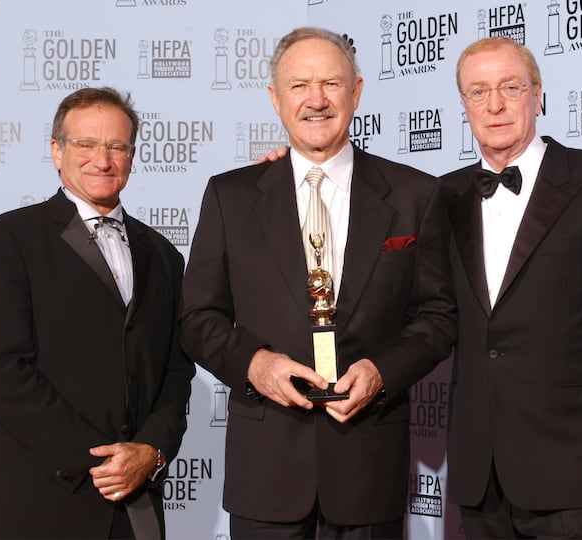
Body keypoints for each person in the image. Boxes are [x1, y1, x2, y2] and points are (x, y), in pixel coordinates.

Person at [179, 27, 456, 539]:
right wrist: (255, 364)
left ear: (357, 91)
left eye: (331, 83)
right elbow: (197, 318)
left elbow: (438, 316)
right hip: (266, 469)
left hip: (368, 462)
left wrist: (381, 371)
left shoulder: (417, 194)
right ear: (275, 98)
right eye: (299, 85)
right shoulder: (229, 196)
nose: (316, 100)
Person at [440, 37, 582, 539]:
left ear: (538, 95)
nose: (494, 105)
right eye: (478, 92)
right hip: (481, 473)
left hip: (576, 469)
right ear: (464, 106)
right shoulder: (443, 196)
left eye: (509, 87)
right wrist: (289, 181)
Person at [0, 87, 195, 539]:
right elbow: (3, 371)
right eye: (85, 144)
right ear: (56, 152)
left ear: (132, 155)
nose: (102, 159)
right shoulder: (9, 238)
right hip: (37, 499)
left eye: (116, 146)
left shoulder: (164, 255)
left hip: (134, 506)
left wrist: (150, 452)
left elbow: (176, 371)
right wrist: (103, 464)